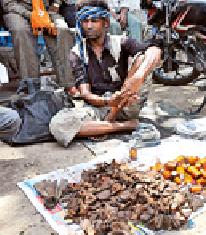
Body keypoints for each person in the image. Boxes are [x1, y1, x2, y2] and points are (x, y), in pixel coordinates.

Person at [49, 0, 161, 147]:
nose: (89, 26)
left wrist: (137, 78)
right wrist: (109, 102)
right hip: (99, 107)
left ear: (106, 23)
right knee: (58, 125)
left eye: (94, 21)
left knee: (141, 59)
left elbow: (155, 50)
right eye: (85, 21)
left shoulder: (120, 42)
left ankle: (106, 124)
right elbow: (86, 94)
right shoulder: (77, 53)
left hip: (128, 101)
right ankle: (126, 126)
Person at [2, 0, 74, 87]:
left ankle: (68, 84)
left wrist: (56, 4)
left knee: (62, 30)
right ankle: (31, 84)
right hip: (18, 11)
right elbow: (8, 4)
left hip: (45, 10)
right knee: (21, 30)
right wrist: (31, 15)